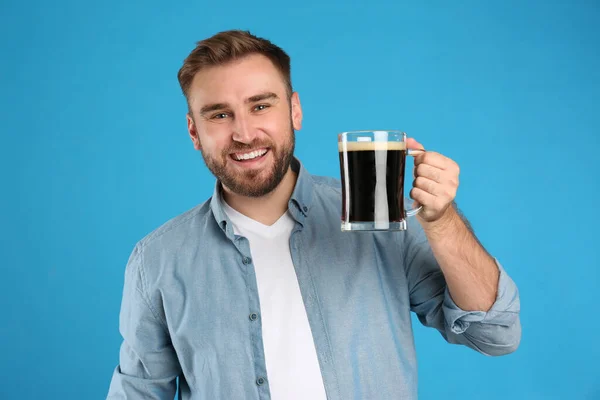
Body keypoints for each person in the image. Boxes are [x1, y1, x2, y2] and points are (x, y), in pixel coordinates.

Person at [106, 30, 521, 400]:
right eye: (219, 114)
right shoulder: (157, 260)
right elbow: (138, 392)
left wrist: (442, 220)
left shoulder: (380, 219)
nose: (245, 133)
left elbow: (495, 333)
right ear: (194, 132)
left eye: (260, 106)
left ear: (295, 111)